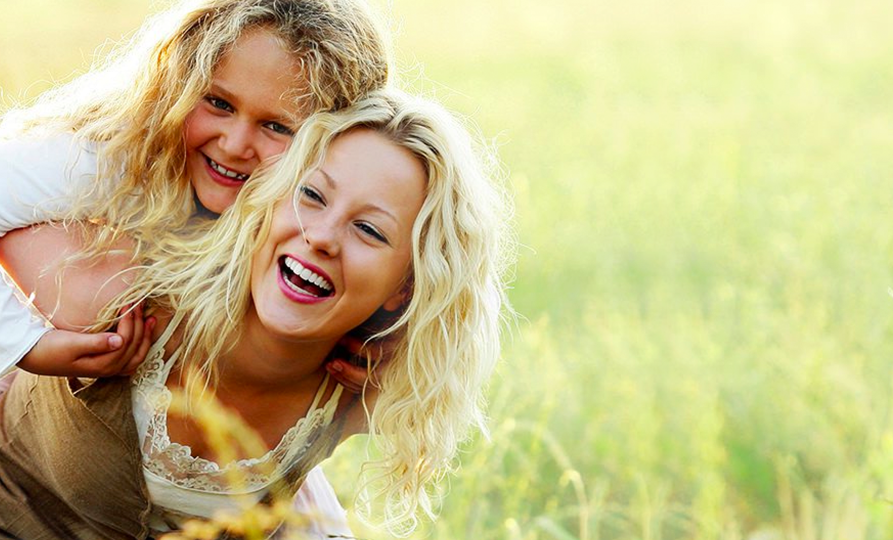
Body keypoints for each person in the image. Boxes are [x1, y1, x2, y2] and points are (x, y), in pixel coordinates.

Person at [0, 89, 514, 537]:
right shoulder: (121, 293)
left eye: (369, 230)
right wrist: (26, 343)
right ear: (268, 199)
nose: (321, 236)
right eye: (311, 195)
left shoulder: (362, 391)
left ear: (402, 290)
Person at [0, 0, 390, 387]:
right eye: (219, 104)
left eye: (277, 127)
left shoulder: (316, 214)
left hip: (219, 407)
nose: (235, 145)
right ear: (176, 87)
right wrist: (26, 344)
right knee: (106, 292)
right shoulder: (113, 158)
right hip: (60, 384)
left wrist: (377, 339)